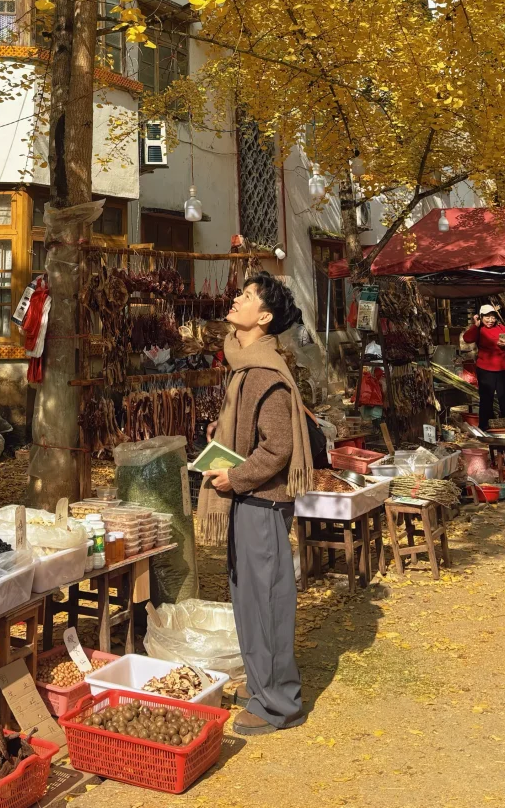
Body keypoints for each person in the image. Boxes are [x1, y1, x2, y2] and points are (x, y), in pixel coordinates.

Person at [198, 272, 313, 737]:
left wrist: (236, 476)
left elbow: (278, 448)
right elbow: (252, 432)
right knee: (247, 597)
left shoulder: (265, 372)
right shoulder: (243, 365)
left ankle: (279, 703)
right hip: (249, 502)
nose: (236, 299)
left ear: (263, 318)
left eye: (246, 296)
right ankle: (260, 683)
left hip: (262, 503)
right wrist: (224, 435)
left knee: (266, 601)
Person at [462, 303, 505, 430]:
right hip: (485, 369)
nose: (490, 320)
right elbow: (467, 338)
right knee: (486, 400)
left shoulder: (502, 328)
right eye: (487, 317)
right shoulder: (479, 329)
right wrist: (476, 325)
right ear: (481, 317)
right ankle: (484, 426)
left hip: (502, 368)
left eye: (493, 317)